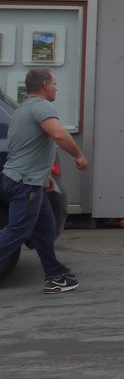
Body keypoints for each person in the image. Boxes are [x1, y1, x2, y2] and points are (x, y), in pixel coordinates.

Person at [0, 68, 89, 293]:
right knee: (18, 230)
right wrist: (78, 155)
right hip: (25, 183)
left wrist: (44, 176)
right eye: (55, 84)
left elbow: (24, 147)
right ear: (46, 85)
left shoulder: (22, 110)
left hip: (27, 180)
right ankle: (55, 275)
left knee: (45, 230)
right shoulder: (42, 107)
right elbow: (59, 134)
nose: (57, 88)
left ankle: (55, 276)